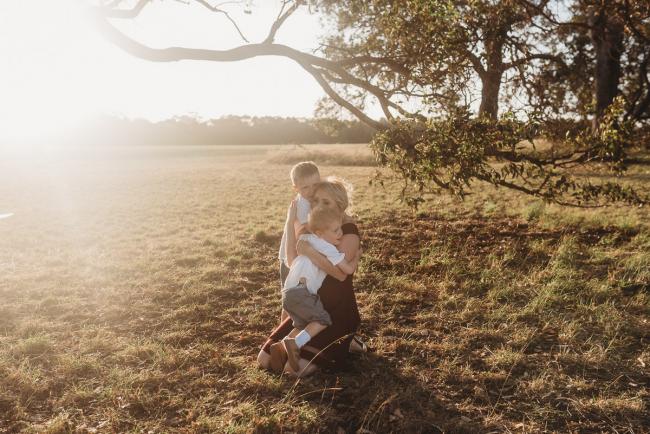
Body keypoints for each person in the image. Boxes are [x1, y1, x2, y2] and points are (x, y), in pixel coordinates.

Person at [258, 177, 362, 377]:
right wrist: (290, 222)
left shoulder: (347, 231)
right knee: (264, 362)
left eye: (326, 202)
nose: (318, 206)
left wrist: (310, 251)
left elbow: (341, 275)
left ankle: (349, 342)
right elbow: (291, 261)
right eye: (315, 201)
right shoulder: (314, 228)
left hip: (335, 312)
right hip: (309, 305)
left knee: (292, 372)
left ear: (340, 205)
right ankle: (291, 345)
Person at [281, 205, 360, 371]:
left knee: (303, 325)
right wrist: (357, 257)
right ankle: (294, 344)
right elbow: (347, 270)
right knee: (321, 321)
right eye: (336, 230)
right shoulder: (328, 248)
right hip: (303, 293)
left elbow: (291, 260)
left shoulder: (306, 239)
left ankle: (280, 348)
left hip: (287, 293)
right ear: (320, 233)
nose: (340, 233)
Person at [278, 161, 321, 321]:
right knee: (291, 298)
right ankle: (279, 336)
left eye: (315, 185)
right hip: (291, 258)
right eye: (305, 187)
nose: (311, 191)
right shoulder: (301, 206)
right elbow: (306, 231)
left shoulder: (315, 199)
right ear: (296, 188)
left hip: (303, 256)